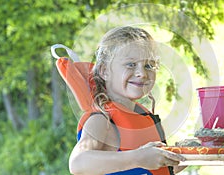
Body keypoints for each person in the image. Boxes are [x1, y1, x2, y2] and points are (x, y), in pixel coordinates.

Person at [69, 26, 186, 175]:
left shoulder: (146, 119)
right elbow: (78, 163)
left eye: (148, 65)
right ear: (105, 71)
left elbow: (160, 168)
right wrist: (138, 157)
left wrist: (191, 153)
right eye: (130, 64)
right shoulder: (102, 119)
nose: (142, 73)